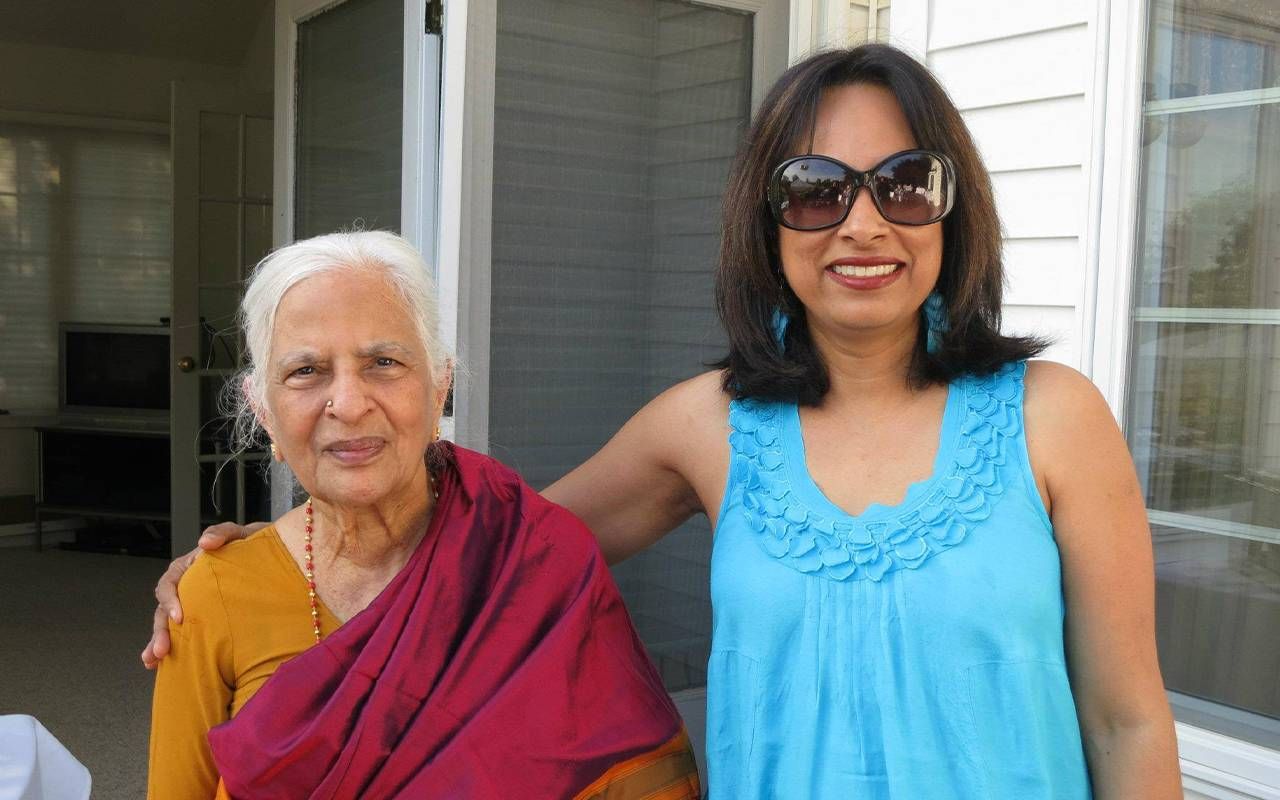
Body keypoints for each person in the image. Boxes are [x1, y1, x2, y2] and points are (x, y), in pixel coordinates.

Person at [145, 45, 1182, 798]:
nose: (863, 223)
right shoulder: (707, 426)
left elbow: (1125, 715)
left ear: (952, 211)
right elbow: (488, 550)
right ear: (764, 220)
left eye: (904, 185)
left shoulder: (1052, 418)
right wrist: (269, 559)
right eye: (815, 190)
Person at [146, 232, 700, 799]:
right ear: (264, 411)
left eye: (383, 362)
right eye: (306, 371)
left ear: (440, 388)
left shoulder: (535, 559)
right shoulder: (214, 591)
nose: (349, 402)